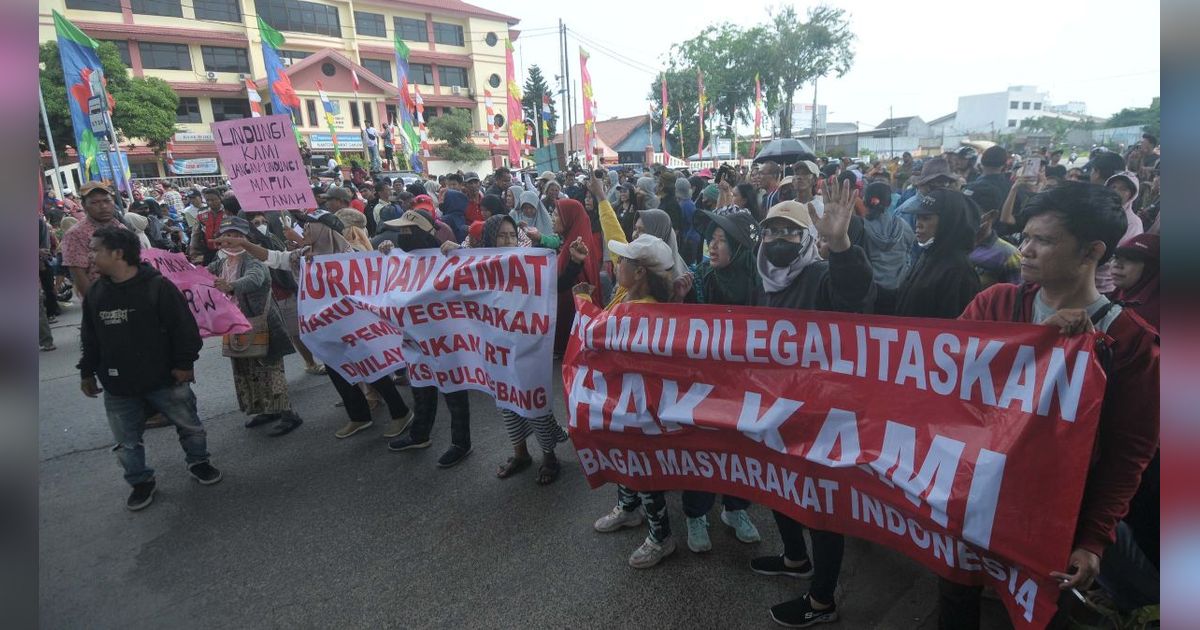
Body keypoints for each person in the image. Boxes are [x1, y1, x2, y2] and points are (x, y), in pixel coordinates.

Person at [944, 182, 1159, 629]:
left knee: (1040, 614)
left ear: (1091, 252)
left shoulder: (1131, 342)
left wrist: (1093, 539)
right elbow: (938, 376)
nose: (1025, 249)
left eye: (1043, 240)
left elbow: (1128, 453)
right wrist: (1032, 344)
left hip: (1056, 521)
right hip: (973, 498)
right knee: (954, 596)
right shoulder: (996, 304)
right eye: (1025, 236)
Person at [752, 179, 875, 627]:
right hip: (771, 407)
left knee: (821, 506)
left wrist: (841, 245)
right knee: (776, 487)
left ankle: (822, 599)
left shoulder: (822, 275)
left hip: (821, 414)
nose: (778, 241)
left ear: (807, 238)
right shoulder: (760, 276)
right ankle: (793, 558)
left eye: (789, 233)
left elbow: (856, 295)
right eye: (771, 232)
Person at [78, 226, 219, 511]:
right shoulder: (96, 292)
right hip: (118, 385)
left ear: (118, 253)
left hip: (166, 378)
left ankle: (199, 463)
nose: (90, 256)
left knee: (190, 427)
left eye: (95, 250)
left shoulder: (158, 287)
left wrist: (183, 365)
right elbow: (90, 337)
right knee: (126, 443)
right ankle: (140, 482)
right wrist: (87, 371)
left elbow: (185, 330)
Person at [587, 233, 682, 568]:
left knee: (641, 468)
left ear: (640, 272)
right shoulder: (628, 297)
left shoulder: (642, 313)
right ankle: (628, 508)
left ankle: (661, 536)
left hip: (639, 407)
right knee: (623, 457)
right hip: (623, 400)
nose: (617, 265)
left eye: (623, 261)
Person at [684, 209, 763, 549]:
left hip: (745, 386)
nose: (712, 248)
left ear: (741, 248)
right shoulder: (699, 278)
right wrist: (682, 296)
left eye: (722, 241)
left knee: (740, 447)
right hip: (704, 385)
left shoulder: (762, 285)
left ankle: (735, 508)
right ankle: (696, 514)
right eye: (711, 240)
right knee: (702, 446)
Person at [379, 210, 475, 468]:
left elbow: (479, 272)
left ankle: (461, 443)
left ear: (423, 232)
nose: (402, 236)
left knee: (453, 390)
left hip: (447, 339)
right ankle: (419, 434)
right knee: (420, 386)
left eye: (407, 230)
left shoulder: (448, 255)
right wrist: (387, 254)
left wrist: (461, 254)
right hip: (415, 338)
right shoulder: (400, 259)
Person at [207, 216, 302, 436]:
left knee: (270, 369)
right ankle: (267, 409)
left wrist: (231, 286)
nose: (230, 239)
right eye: (227, 235)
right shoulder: (221, 262)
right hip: (236, 325)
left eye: (236, 235)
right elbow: (203, 273)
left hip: (262, 325)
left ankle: (288, 414)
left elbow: (254, 279)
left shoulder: (253, 258)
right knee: (247, 369)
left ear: (246, 238)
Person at [885, 189, 982, 318]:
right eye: (918, 217)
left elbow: (955, 330)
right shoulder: (928, 254)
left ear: (948, 222)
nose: (918, 224)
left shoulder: (959, 271)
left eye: (926, 218)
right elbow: (904, 300)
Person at [60, 183, 128, 299]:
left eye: (107, 201)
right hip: (103, 299)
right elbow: (79, 275)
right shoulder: (75, 234)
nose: (103, 206)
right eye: (95, 203)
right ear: (84, 206)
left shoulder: (120, 227)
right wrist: (93, 305)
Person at [552, 198, 602, 354]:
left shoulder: (574, 247)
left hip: (569, 317)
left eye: (556, 215)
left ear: (568, 219)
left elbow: (561, 285)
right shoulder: (574, 242)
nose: (552, 218)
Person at [860, 181, 914, 291]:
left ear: (864, 201)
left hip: (869, 289)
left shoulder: (860, 227)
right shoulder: (903, 226)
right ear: (889, 202)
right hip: (899, 287)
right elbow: (910, 249)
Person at [1109, 233, 1159, 332]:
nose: (1117, 264)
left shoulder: (1151, 317)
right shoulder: (1119, 294)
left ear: (1150, 269)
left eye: (1130, 259)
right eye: (1116, 257)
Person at [188, 188, 231, 266]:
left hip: (226, 249)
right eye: (208, 200)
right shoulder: (201, 213)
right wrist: (193, 250)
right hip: (208, 249)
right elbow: (195, 233)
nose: (211, 202)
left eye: (213, 199)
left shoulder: (228, 211)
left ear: (220, 198)